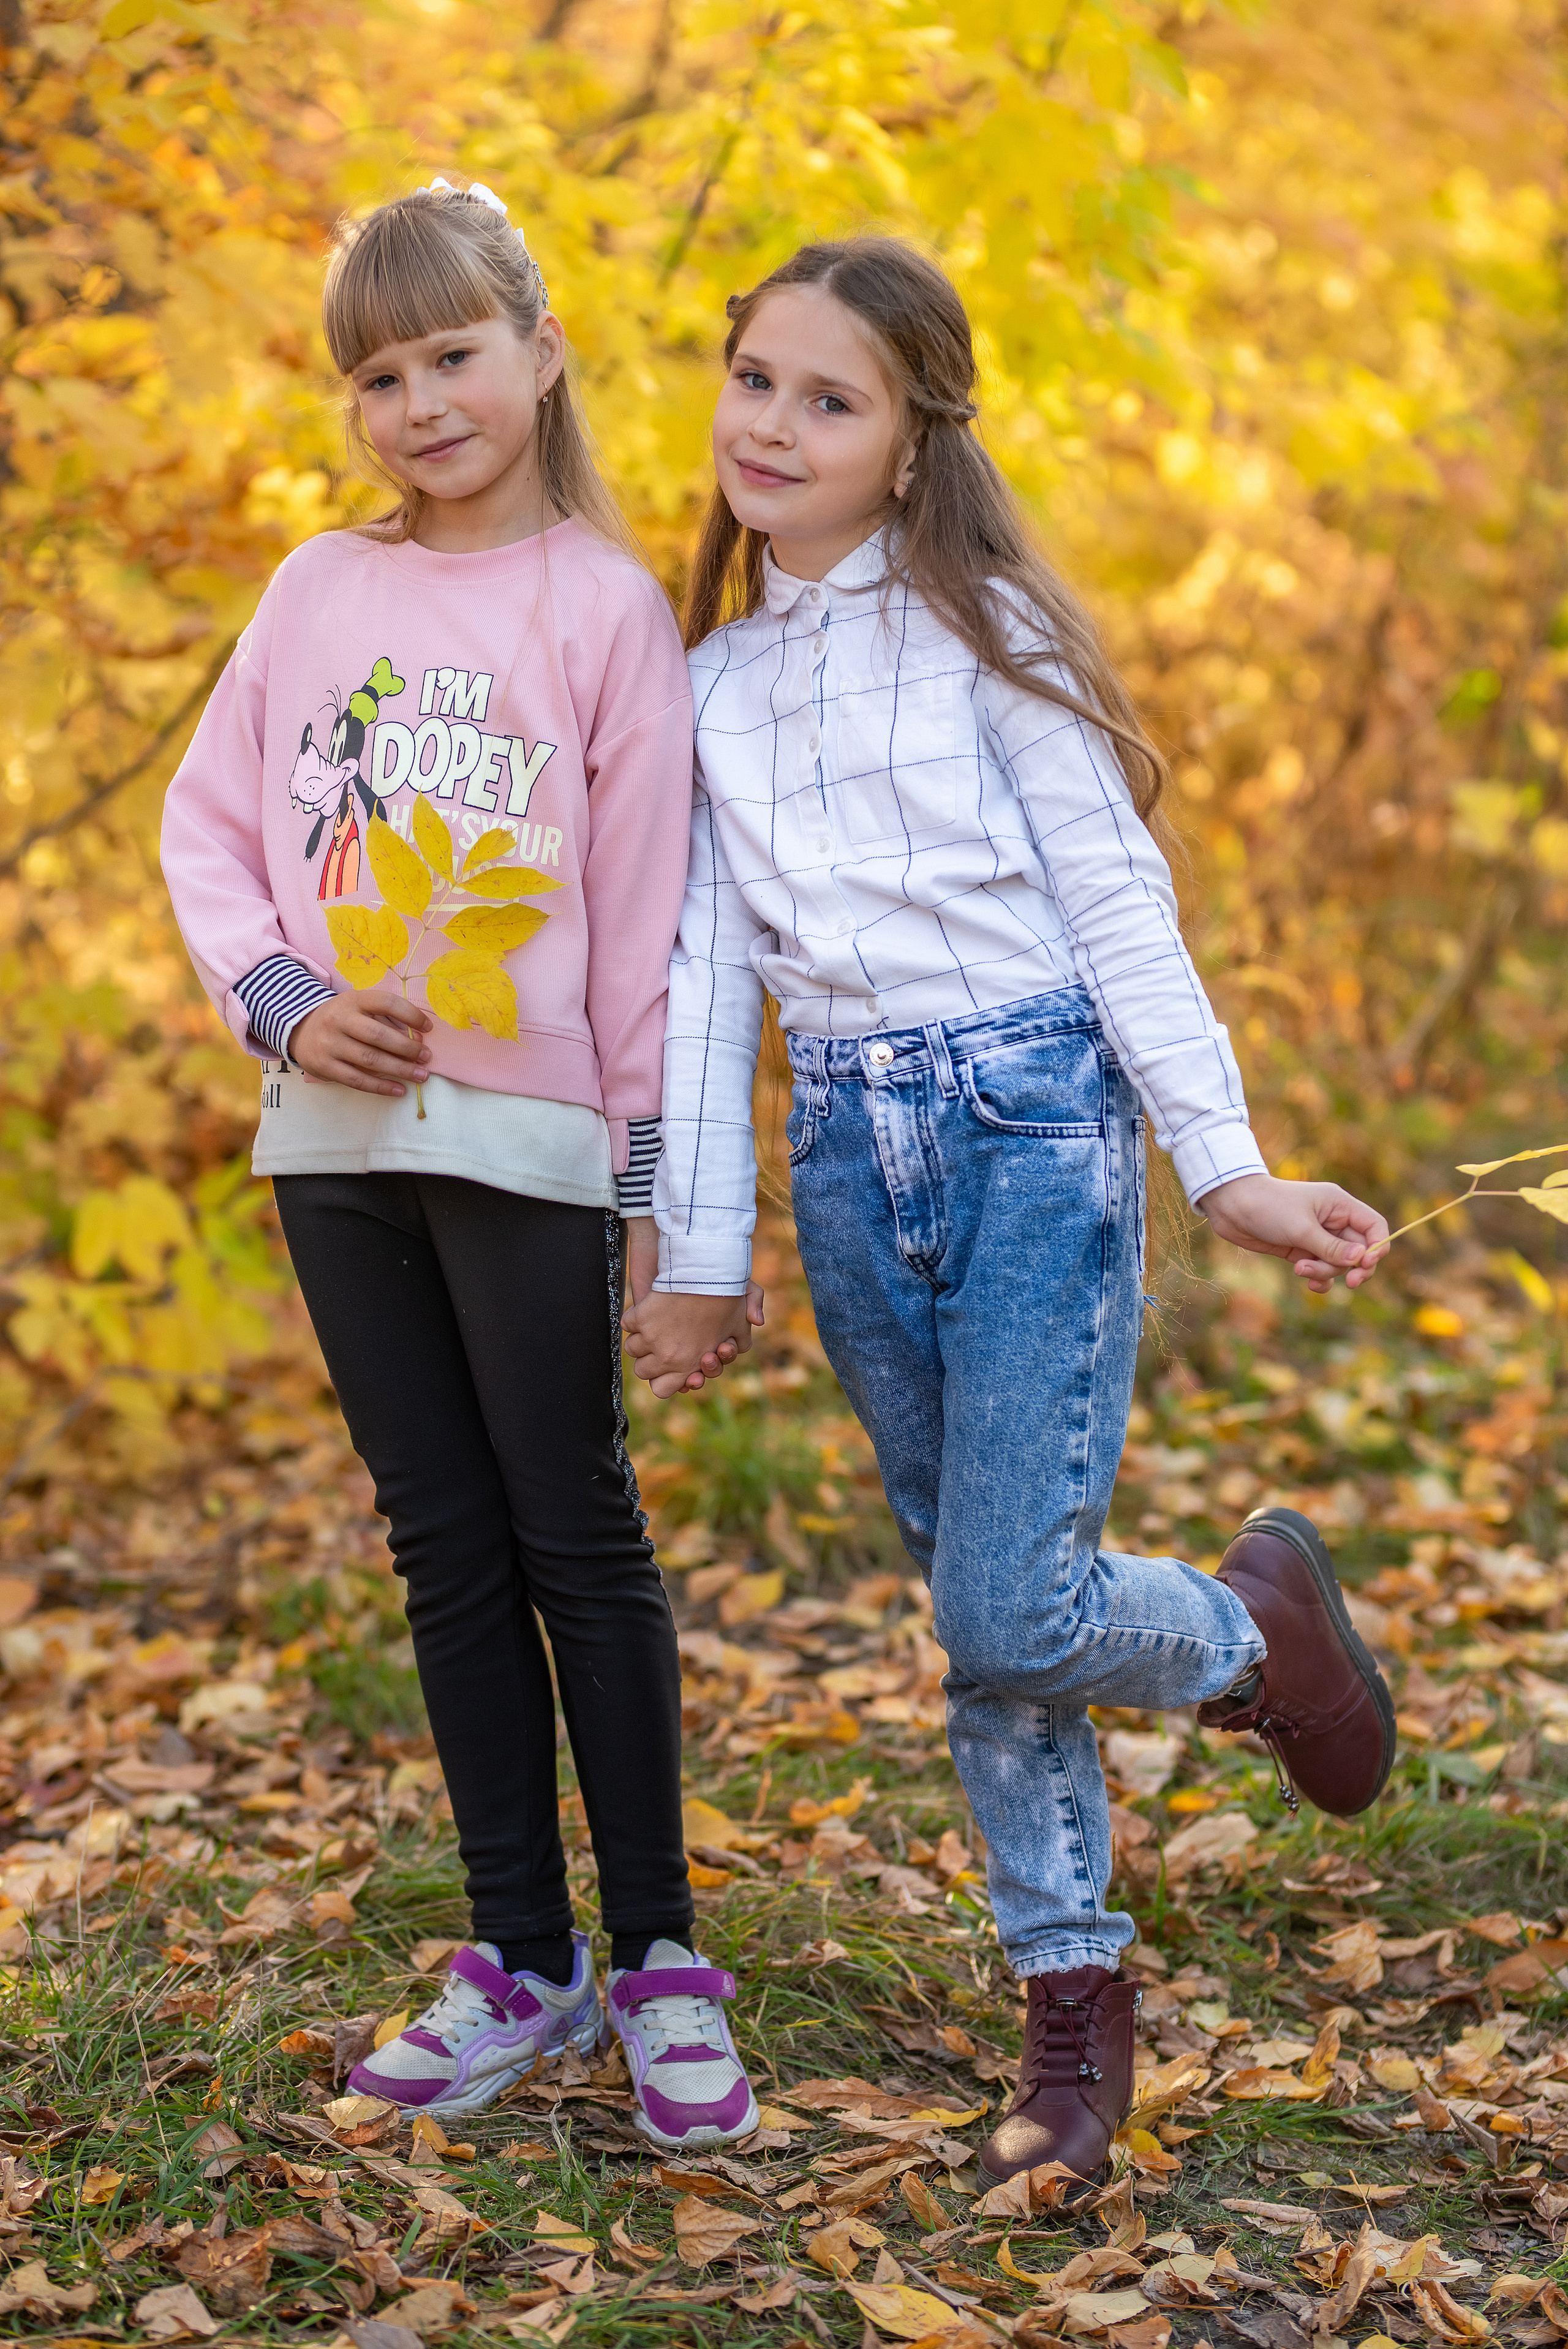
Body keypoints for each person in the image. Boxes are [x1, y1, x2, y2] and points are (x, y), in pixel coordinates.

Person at [622, 236, 1396, 2185]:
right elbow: (705, 988)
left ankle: (1253, 1633)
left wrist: (1225, 1163)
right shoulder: (707, 687)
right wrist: (700, 1252)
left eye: (830, 398)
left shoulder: (993, 636)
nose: (772, 425)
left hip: (1034, 1123)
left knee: (1009, 1597)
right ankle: (1072, 1997)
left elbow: (1120, 907)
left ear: (912, 441)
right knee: (984, 1613)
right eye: (754, 379)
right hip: (845, 1155)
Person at [161, 179, 758, 2148]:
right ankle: (521, 1951)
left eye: (452, 357)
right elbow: (208, 827)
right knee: (440, 1537)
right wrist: (280, 1002)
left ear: (541, 353)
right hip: (332, 1138)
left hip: (536, 1144)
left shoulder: (604, 609)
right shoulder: (315, 591)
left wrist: (668, 1205)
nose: (419, 405)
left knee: (573, 1529)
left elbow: (653, 932)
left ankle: (659, 1956)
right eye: (378, 377)